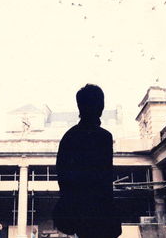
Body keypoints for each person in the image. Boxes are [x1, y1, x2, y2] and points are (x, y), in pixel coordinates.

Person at [53, 84, 122, 238]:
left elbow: (63, 177)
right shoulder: (104, 137)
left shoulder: (69, 137)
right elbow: (105, 180)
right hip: (99, 213)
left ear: (79, 106)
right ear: (101, 106)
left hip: (77, 213)